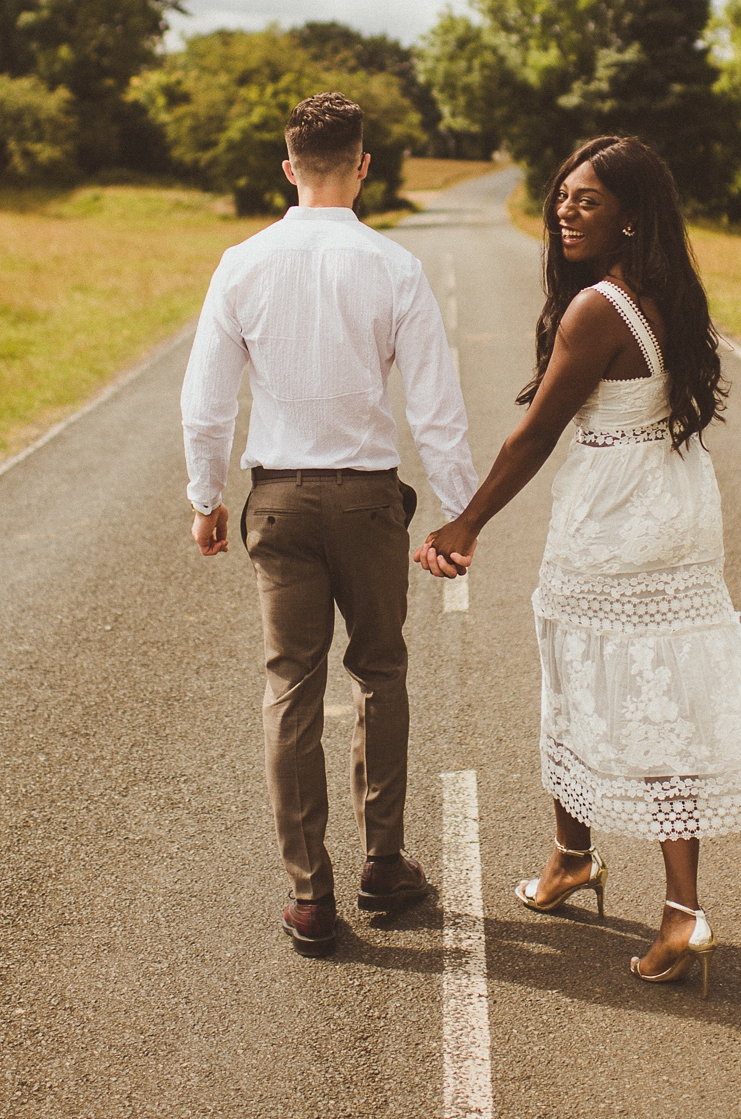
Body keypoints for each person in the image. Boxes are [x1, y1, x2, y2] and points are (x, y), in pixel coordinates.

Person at [416, 135, 741, 990]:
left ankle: (638, 893)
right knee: (655, 692)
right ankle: (610, 876)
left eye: (587, 200)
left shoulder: (598, 307)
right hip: (674, 504)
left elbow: (536, 433)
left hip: (613, 518)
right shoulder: (666, 292)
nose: (565, 211)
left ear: (631, 217)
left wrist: (466, 523)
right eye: (561, 197)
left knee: (580, 678)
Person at [182, 91, 477, 958]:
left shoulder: (240, 262)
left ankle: (310, 894)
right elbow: (436, 408)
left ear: (287, 166)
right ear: (362, 165)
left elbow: (206, 404)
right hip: (367, 501)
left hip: (276, 499)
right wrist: (457, 515)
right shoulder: (393, 267)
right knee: (381, 671)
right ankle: (383, 865)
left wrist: (207, 498)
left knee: (290, 687)